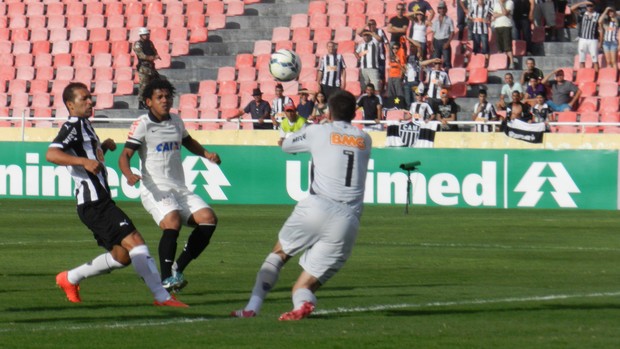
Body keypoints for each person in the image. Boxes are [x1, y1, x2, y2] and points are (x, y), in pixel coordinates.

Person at [230, 90, 372, 321]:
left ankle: (252, 307)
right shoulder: (365, 139)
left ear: (329, 111)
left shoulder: (318, 131)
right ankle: (302, 304)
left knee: (279, 254)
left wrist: (296, 136)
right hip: (348, 219)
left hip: (317, 205)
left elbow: (287, 145)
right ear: (355, 113)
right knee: (304, 285)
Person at [47, 82, 186, 308]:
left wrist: (103, 147)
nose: (90, 102)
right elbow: (52, 154)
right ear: (70, 105)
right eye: (84, 99)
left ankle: (69, 278)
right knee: (137, 243)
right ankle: (162, 297)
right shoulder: (73, 125)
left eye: (90, 97)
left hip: (97, 202)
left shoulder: (85, 125)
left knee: (121, 257)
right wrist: (83, 161)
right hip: (94, 202)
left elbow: (87, 154)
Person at [119, 79, 222, 292]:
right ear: (149, 101)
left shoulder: (176, 120)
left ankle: (178, 267)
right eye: (160, 97)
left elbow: (188, 141)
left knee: (209, 220)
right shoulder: (143, 124)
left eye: (168, 96)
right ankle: (165, 279)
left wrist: (206, 154)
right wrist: (129, 174)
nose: (165, 100)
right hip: (154, 186)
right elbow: (125, 155)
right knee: (172, 221)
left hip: (179, 187)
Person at [133, 27, 160, 110]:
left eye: (147, 34)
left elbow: (154, 51)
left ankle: (150, 101)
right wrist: (151, 57)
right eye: (144, 35)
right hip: (143, 68)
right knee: (143, 86)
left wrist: (156, 56)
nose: (146, 36)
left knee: (154, 84)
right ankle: (141, 103)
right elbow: (141, 55)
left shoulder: (149, 43)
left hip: (151, 67)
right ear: (141, 35)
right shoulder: (138, 44)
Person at [571, 1, 602, 72]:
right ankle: (583, 75)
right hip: (583, 39)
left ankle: (596, 76)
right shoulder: (582, 14)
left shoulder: (597, 15)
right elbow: (572, 8)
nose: (589, 7)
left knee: (595, 59)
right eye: (588, 6)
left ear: (594, 6)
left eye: (591, 5)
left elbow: (601, 29)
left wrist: (601, 41)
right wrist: (583, 2)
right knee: (582, 59)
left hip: (593, 39)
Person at [492, 0, 516, 69]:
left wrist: (502, 5)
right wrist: (502, 14)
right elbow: (494, 15)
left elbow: (505, 12)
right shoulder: (496, 3)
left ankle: (511, 63)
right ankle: (501, 63)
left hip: (506, 25)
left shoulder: (510, 2)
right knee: (499, 47)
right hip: (497, 26)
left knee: (508, 46)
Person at [431, 1, 455, 69]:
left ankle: (447, 77)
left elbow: (452, 32)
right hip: (436, 41)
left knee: (447, 62)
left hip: (445, 40)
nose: (442, 10)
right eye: (440, 8)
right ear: (438, 9)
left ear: (446, 9)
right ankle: (436, 78)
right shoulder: (435, 20)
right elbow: (433, 33)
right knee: (436, 61)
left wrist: (448, 43)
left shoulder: (449, 20)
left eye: (443, 8)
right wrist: (432, 44)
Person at [470, 0, 493, 64]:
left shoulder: (487, 7)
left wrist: (488, 19)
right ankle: (476, 62)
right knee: (476, 47)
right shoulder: (474, 6)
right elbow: (469, 15)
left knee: (485, 47)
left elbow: (492, 13)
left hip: (484, 30)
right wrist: (474, 19)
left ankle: (486, 62)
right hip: (476, 29)